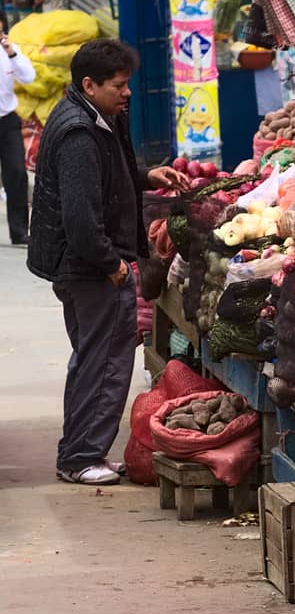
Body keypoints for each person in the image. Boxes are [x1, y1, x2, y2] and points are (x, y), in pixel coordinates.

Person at [27, 39, 189, 486]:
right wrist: (113, 265)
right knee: (103, 361)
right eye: (118, 85)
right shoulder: (80, 132)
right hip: (89, 266)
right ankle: (81, 458)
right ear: (89, 85)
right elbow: (80, 217)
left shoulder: (94, 117)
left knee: (94, 359)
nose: (128, 93)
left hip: (84, 264)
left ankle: (81, 451)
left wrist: (145, 175)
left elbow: (108, 177)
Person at [0, 17, 33, 245]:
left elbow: (29, 77)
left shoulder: (10, 51)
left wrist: (12, 53)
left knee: (17, 174)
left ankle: (20, 231)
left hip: (8, 121)